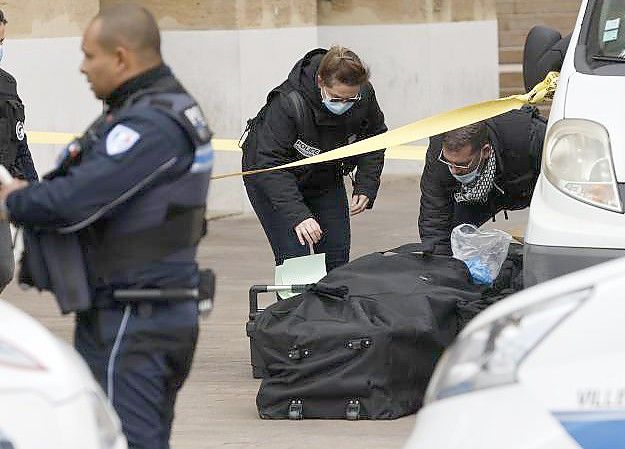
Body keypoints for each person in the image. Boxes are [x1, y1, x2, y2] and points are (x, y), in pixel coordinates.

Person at [0, 5, 213, 449]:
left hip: (136, 316)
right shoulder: (141, 110)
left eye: (89, 55)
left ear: (121, 58)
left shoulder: (152, 124)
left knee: (122, 440)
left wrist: (13, 200)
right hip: (131, 308)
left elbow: (75, 201)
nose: (81, 67)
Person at [242, 45, 387, 272]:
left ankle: (331, 307)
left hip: (324, 175)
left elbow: (375, 136)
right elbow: (268, 163)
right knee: (296, 261)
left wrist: (367, 183)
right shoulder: (288, 103)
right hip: (272, 176)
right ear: (320, 82)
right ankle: (294, 308)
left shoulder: (364, 95)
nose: (344, 105)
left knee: (336, 258)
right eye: (337, 98)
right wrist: (299, 215)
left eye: (351, 99)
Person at [418, 107, 547, 255]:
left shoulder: (532, 137)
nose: (453, 170)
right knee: (449, 239)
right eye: (449, 162)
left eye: (461, 164)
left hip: (530, 185)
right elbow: (434, 210)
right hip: (476, 195)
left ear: (485, 151)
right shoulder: (439, 152)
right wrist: (440, 263)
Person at [0, 8, 38, 291]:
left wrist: (34, 188)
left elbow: (19, 140)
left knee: (2, 269)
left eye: (0, 43)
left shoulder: (7, 84)